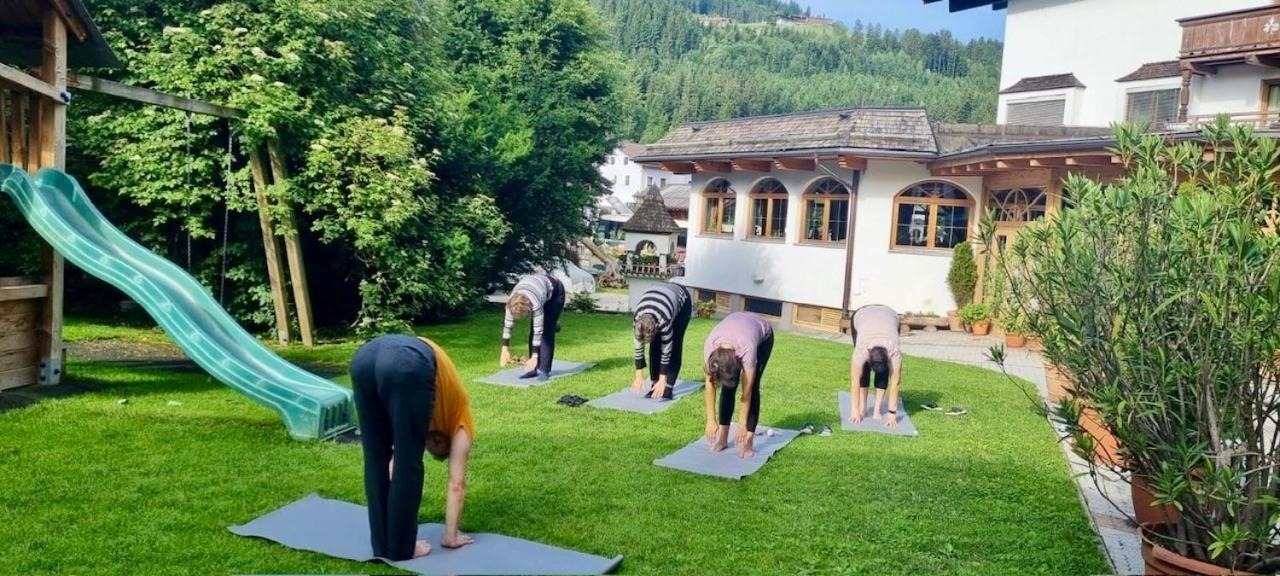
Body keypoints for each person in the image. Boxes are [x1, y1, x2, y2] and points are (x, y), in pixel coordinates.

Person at [350, 334, 476, 561]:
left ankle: (382, 545)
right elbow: (456, 484)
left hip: (365, 357)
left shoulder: (424, 413)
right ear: (448, 440)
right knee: (408, 462)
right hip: (405, 359)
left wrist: (450, 535)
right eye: (438, 445)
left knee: (376, 457)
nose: (430, 443)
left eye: (431, 446)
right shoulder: (461, 418)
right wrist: (451, 536)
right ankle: (401, 548)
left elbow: (393, 467)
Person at [702, 312, 774, 459]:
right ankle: (723, 438)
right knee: (728, 388)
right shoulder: (710, 348)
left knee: (753, 388)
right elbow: (710, 385)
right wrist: (710, 420)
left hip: (761, 335)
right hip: (735, 326)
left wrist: (742, 424)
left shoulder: (747, 349)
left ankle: (748, 441)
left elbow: (746, 393)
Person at [630, 282, 693, 400]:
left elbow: (666, 350)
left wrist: (663, 378)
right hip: (660, 297)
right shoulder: (637, 319)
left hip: (682, 300)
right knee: (655, 345)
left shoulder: (664, 319)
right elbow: (638, 347)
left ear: (657, 326)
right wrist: (638, 376)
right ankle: (654, 384)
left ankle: (668, 387)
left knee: (675, 343)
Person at [499, 274, 566, 380]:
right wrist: (504, 349)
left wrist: (535, 356)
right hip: (540, 288)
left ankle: (544, 370)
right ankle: (532, 369)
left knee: (545, 330)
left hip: (556, 293)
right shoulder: (510, 303)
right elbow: (507, 326)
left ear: (528, 308)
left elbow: (537, 331)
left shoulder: (535, 303)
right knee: (536, 328)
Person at [848, 304, 904, 428]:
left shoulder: (894, 351)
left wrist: (892, 413)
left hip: (890, 315)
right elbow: (855, 380)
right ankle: (862, 407)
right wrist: (855, 409)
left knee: (884, 371)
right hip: (862, 314)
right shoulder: (862, 349)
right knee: (863, 368)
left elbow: (895, 383)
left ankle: (877, 409)